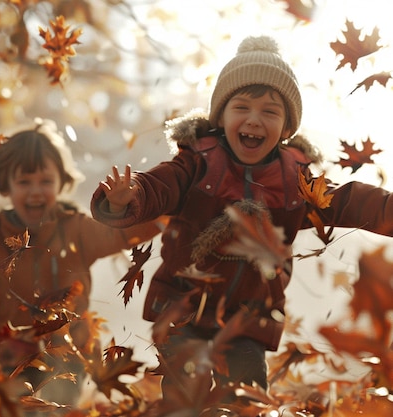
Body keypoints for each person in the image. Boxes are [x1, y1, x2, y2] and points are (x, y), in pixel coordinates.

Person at [90, 35, 393, 414]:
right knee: (185, 391)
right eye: (242, 107)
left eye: (270, 112)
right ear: (221, 116)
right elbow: (158, 186)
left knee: (247, 397)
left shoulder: (293, 180)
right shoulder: (197, 162)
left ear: (285, 128)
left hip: (249, 316)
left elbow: (348, 199)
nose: (254, 119)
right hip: (185, 305)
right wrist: (126, 197)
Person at [0, 119, 161, 409]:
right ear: (6, 186)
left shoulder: (75, 229)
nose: (35, 191)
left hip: (70, 350)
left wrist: (159, 218)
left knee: (58, 406)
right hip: (15, 352)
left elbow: (118, 235)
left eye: (46, 181)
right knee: (21, 407)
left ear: (61, 183)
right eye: (24, 182)